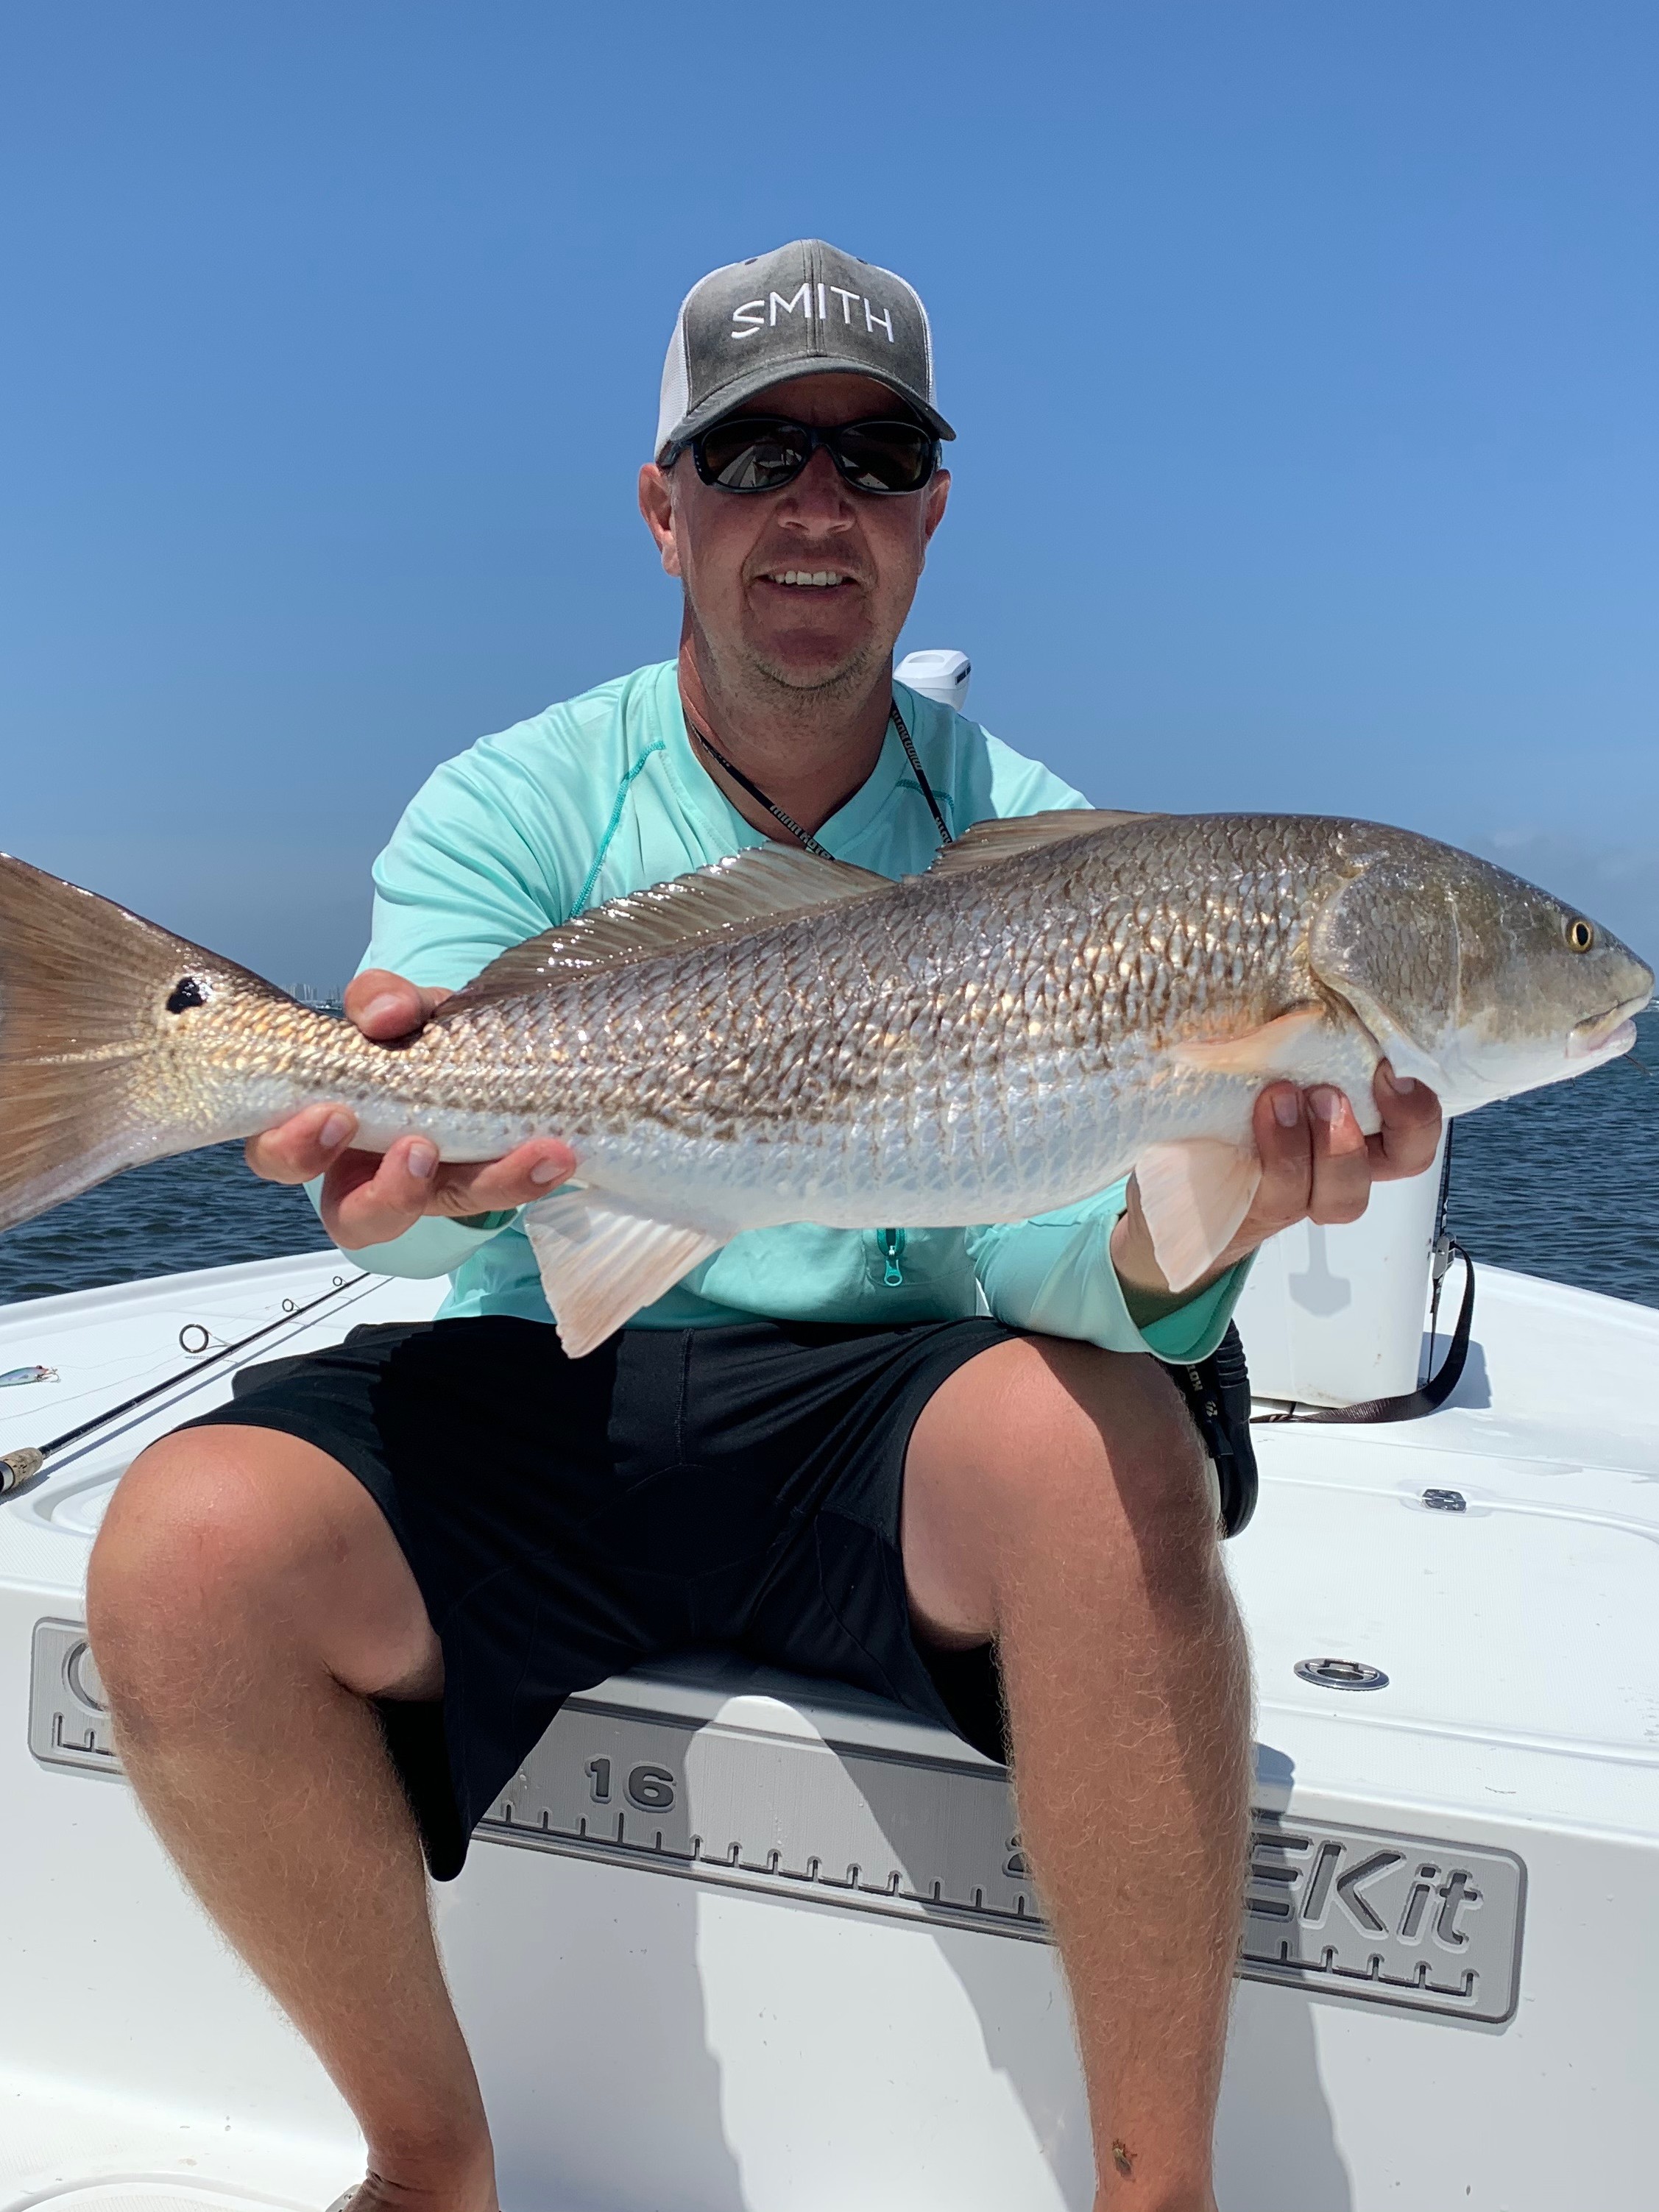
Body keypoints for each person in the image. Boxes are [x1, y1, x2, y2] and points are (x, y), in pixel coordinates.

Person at [85, 239, 1442, 2212]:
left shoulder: (1053, 842)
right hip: (541, 1382)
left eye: (878, 456)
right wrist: (385, 1186)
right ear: (665, 510)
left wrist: (1199, 1225)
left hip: (867, 1407)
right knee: (184, 1554)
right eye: (755, 455)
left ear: (934, 514)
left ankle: (1162, 2191)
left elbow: (1063, 1268)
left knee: (1131, 1450)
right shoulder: (513, 801)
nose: (820, 506)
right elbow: (400, 1208)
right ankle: (429, 2157)